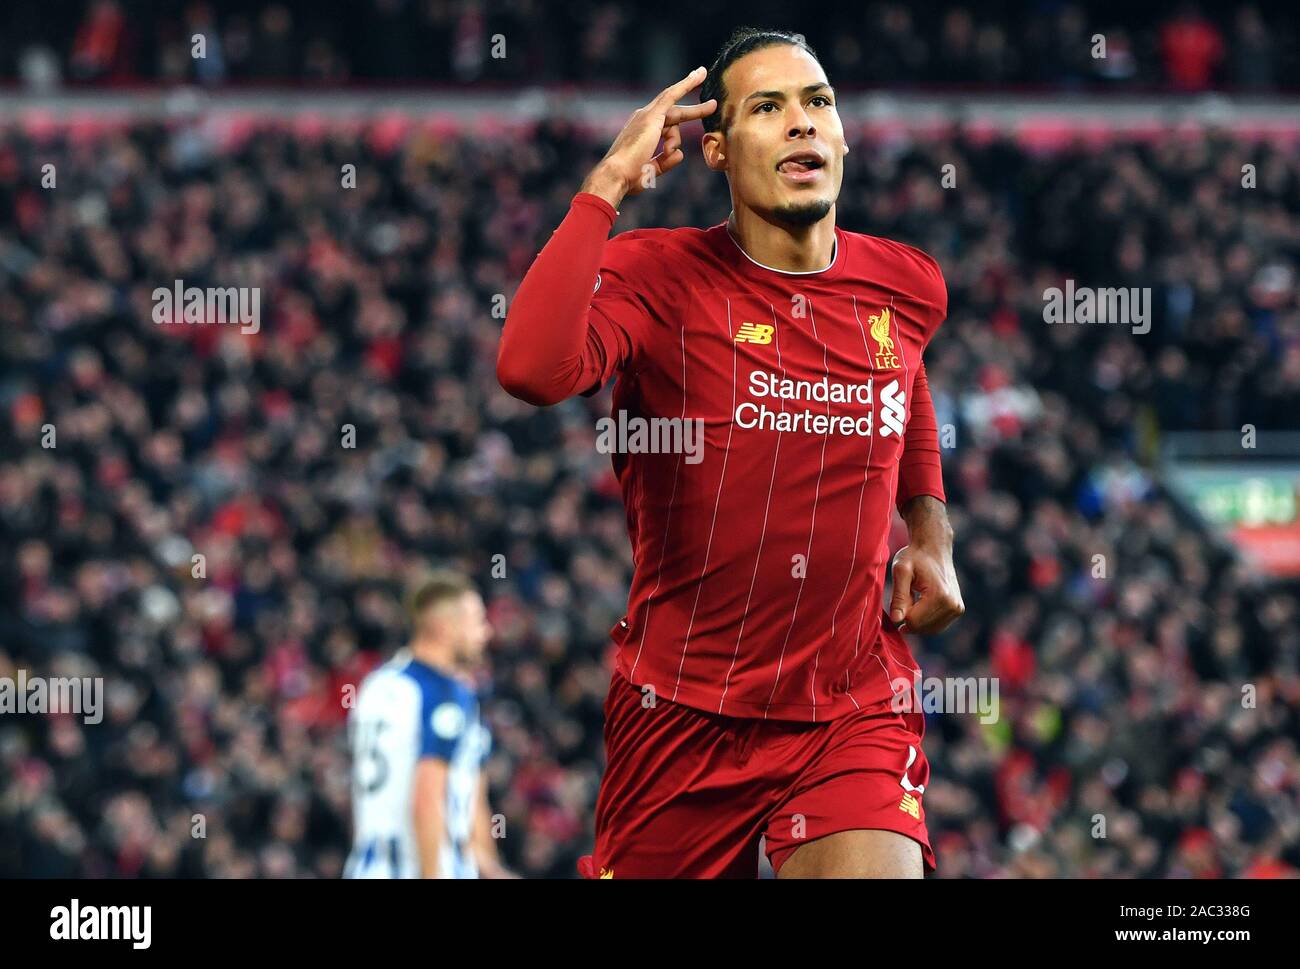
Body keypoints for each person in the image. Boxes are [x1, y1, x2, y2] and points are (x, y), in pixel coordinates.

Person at [497, 26, 964, 878]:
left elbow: (907, 379)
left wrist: (929, 530)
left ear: (844, 137)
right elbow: (530, 369)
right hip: (680, 710)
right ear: (714, 149)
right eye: (768, 107)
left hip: (850, 703)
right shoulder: (658, 276)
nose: (801, 123)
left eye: (817, 103)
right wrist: (603, 187)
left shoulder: (906, 284)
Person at [344, 570, 513, 878]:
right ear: (444, 627)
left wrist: (490, 869)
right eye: (476, 621)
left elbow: (468, 794)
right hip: (420, 865)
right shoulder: (444, 694)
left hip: (367, 865)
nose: (485, 633)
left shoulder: (375, 685)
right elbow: (428, 797)